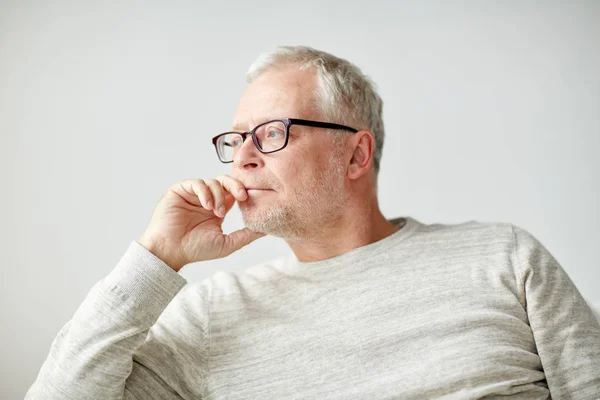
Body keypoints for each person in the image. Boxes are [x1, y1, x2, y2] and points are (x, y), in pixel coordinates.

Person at [26, 46, 600, 399]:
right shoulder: (210, 315)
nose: (243, 158)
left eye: (272, 133)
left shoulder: (504, 259)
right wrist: (155, 258)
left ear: (355, 154)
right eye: (236, 140)